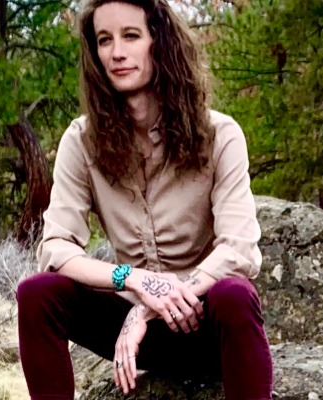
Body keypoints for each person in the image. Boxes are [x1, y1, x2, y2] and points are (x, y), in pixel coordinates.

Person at [17, 0, 273, 399]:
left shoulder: (220, 135)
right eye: (104, 40)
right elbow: (56, 247)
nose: (116, 52)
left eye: (131, 36)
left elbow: (239, 250)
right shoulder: (81, 141)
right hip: (128, 330)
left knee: (235, 294)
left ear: (160, 41)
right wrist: (134, 280)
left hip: (201, 321)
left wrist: (152, 303)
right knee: (37, 293)